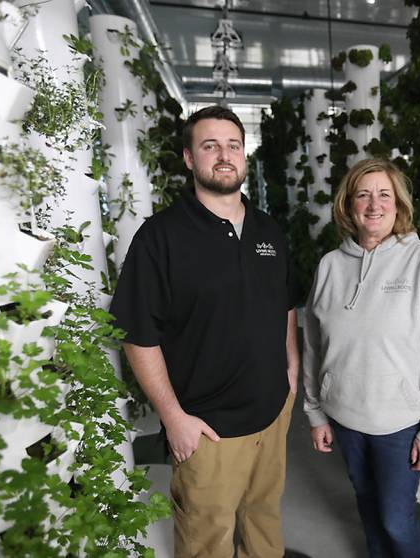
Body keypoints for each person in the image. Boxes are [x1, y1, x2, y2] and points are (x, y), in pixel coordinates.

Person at [110, 105, 300, 558]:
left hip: (272, 417)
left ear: (244, 156)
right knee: (206, 541)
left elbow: (285, 306)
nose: (223, 155)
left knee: (264, 520)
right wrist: (174, 418)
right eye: (209, 145)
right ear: (189, 158)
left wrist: (291, 374)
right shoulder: (161, 237)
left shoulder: (267, 229)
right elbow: (138, 335)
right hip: (208, 429)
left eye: (233, 145)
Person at [302, 158, 420, 558]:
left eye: (384, 195)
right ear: (348, 205)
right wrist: (316, 412)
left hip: (398, 425)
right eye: (363, 195)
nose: (374, 205)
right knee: (368, 506)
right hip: (345, 417)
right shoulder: (329, 267)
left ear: (399, 204)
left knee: (396, 519)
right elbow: (313, 345)